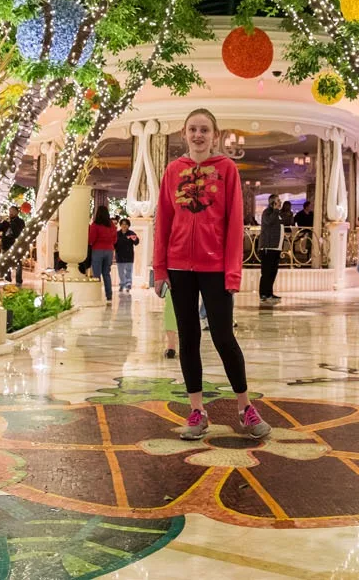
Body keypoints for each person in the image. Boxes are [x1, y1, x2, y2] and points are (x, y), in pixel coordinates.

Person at [154, 108, 271, 440]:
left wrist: (232, 273)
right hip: (179, 267)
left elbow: (234, 224)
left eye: (204, 130)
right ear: (184, 134)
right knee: (188, 338)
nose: (198, 135)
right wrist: (160, 269)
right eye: (192, 129)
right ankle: (196, 411)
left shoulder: (226, 169)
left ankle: (245, 408)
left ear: (215, 136)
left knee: (223, 337)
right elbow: (163, 221)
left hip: (215, 268)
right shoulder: (173, 171)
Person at [88, 204, 118, 301]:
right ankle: (109, 296)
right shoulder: (111, 225)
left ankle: (97, 295)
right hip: (109, 251)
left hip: (97, 250)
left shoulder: (95, 225)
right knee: (106, 273)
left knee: (96, 274)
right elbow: (115, 239)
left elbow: (91, 239)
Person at [258, 194, 283, 302]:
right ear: (273, 202)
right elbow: (269, 222)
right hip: (268, 247)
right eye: (278, 200)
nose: (280, 202)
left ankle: (269, 293)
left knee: (273, 272)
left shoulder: (277, 213)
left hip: (276, 248)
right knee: (266, 272)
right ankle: (263, 293)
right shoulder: (267, 212)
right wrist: (275, 210)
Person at [0, 205, 26, 285]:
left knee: (18, 263)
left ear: (17, 212)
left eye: (13, 211)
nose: (11, 213)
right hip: (6, 244)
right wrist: (2, 222)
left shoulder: (20, 222)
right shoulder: (6, 222)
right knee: (6, 262)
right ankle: (8, 279)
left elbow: (18, 232)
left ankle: (18, 281)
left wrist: (11, 223)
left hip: (16, 245)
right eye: (10, 211)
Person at [115, 218, 139, 294]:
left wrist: (135, 239)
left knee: (128, 271)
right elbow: (114, 244)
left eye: (126, 224)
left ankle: (128, 284)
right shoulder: (117, 234)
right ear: (120, 225)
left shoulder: (131, 233)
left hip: (129, 256)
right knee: (121, 272)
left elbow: (136, 242)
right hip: (119, 256)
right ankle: (122, 284)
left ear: (128, 225)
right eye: (122, 224)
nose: (124, 225)